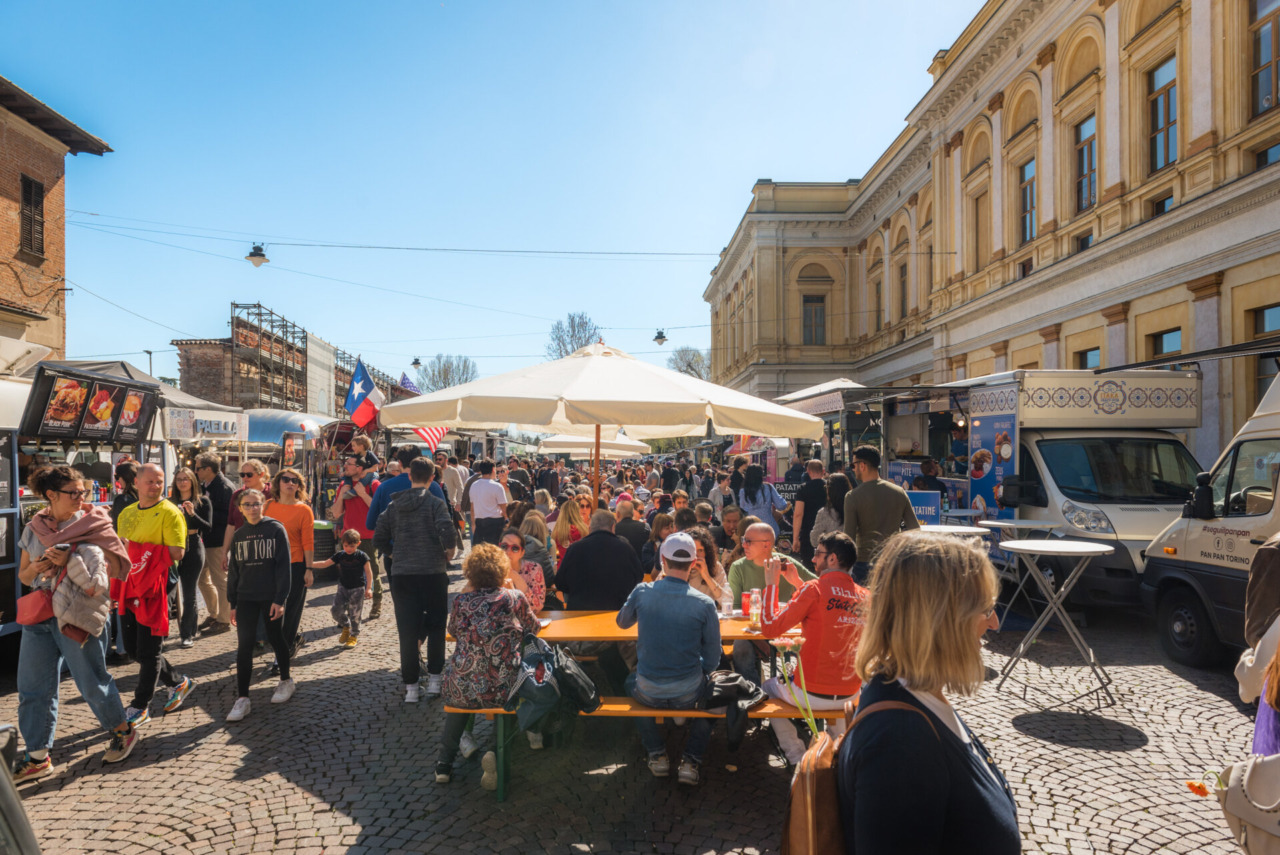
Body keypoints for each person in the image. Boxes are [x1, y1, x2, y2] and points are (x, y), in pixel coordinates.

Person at [835, 531, 1018, 854]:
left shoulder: (917, 699)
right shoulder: (899, 741)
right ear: (941, 619)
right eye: (984, 607)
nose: (993, 622)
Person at [11, 465, 139, 782]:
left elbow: (110, 569)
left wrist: (70, 560)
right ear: (51, 495)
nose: (81, 498)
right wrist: (40, 565)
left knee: (91, 680)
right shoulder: (34, 528)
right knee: (32, 687)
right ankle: (37, 756)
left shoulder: (93, 524)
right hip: (40, 613)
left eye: (84, 492)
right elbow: (25, 576)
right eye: (74, 493)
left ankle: (123, 731)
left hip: (78, 611)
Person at [617, 531, 722, 786]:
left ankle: (657, 753)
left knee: (630, 683)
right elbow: (712, 657)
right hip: (689, 690)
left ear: (663, 559)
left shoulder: (643, 591)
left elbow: (622, 622)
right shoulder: (705, 603)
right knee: (716, 696)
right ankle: (691, 759)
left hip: (648, 689)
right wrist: (702, 673)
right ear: (693, 563)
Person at [435, 543, 540, 787]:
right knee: (513, 689)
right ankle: (495, 751)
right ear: (502, 571)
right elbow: (533, 628)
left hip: (461, 683)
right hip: (503, 685)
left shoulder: (461, 601)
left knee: (460, 698)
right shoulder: (514, 597)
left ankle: (444, 763)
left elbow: (452, 631)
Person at [760, 531, 867, 764]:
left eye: (818, 554)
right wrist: (798, 583)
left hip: (810, 693)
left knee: (766, 688)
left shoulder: (813, 590)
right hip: (851, 693)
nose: (813, 559)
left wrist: (771, 585)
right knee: (836, 699)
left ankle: (796, 754)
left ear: (832, 559)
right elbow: (830, 606)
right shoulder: (866, 596)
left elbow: (769, 628)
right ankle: (836, 749)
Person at [115, 463, 195, 726]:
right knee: (135, 649)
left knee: (150, 649)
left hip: (159, 583)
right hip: (132, 583)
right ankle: (178, 682)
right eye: (150, 481)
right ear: (135, 483)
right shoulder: (126, 513)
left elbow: (177, 553)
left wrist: (139, 550)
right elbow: (121, 550)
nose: (155, 486)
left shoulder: (170, 512)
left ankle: (140, 705)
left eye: (159, 481)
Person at [374, 458, 458, 702]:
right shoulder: (434, 503)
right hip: (432, 573)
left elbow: (378, 537)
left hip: (403, 575)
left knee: (407, 632)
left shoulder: (393, 507)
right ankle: (434, 681)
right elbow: (448, 531)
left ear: (409, 476)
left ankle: (411, 687)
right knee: (435, 626)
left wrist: (394, 553)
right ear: (432, 478)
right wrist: (448, 552)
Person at [226, 489, 295, 722]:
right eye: (248, 505)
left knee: (276, 638)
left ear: (263, 505)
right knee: (244, 645)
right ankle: (243, 698)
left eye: (256, 504)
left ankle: (286, 680)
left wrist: (280, 598)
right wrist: (232, 602)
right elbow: (235, 571)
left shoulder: (275, 529)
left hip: (270, 596)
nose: (253, 508)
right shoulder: (239, 535)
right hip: (245, 597)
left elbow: (283, 566)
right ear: (240, 508)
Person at [727, 522, 816, 685]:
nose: (743, 545)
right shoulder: (738, 568)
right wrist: (760, 639)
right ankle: (754, 694)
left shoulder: (786, 564)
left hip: (784, 629)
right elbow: (737, 610)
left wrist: (797, 581)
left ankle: (805, 687)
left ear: (766, 545)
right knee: (741, 648)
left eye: (748, 541)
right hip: (751, 632)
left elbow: (818, 588)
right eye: (743, 540)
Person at [843, 445, 920, 584]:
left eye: (853, 465)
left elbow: (849, 537)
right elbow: (915, 529)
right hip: (892, 560)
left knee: (864, 604)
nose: (852, 469)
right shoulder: (899, 492)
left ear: (862, 465)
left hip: (863, 563)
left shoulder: (853, 497)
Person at [264, 467, 316, 659]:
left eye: (295, 481)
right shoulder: (268, 506)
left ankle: (282, 654)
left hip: (295, 564)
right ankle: (285, 642)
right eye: (286, 479)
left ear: (299, 486)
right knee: (271, 607)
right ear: (278, 483)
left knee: (292, 608)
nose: (290, 483)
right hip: (269, 565)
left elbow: (308, 542)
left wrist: (309, 569)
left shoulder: (304, 509)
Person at [556, 510, 644, 610]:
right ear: (612, 527)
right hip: (615, 611)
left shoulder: (575, 548)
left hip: (579, 612)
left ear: (589, 528)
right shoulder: (625, 548)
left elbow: (560, 582)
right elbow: (638, 577)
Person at [329, 454, 381, 616]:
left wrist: (363, 494)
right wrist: (343, 494)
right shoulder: (344, 485)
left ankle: (376, 605)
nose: (345, 466)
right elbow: (336, 513)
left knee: (372, 571)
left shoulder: (374, 484)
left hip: (368, 536)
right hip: (347, 537)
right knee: (347, 576)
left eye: (349, 464)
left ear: (359, 468)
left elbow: (379, 510)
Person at [169, 466, 212, 648]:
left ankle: (187, 634)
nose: (182, 482)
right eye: (179, 479)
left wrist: (192, 514)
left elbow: (208, 527)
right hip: (172, 546)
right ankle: (162, 631)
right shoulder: (169, 502)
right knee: (168, 591)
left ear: (193, 481)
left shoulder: (202, 501)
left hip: (193, 545)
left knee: (189, 593)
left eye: (186, 479)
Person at [311, 529, 373, 648]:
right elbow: (324, 563)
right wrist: (309, 564)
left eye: (352, 546)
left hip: (358, 589)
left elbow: (369, 573)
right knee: (335, 610)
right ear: (342, 544)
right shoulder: (340, 555)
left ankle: (354, 635)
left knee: (355, 613)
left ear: (358, 544)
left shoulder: (362, 556)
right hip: (343, 587)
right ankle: (346, 625)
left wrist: (369, 588)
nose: (349, 548)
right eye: (346, 545)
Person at [195, 452, 235, 634]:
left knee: (220, 580)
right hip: (205, 539)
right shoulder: (205, 485)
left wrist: (204, 513)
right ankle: (214, 613)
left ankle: (224, 619)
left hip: (217, 540)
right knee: (202, 579)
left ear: (208, 469)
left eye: (198, 468)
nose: (195, 472)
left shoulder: (225, 487)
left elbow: (229, 517)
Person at [499, 528, 546, 611]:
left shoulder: (534, 569)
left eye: (515, 548)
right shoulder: (490, 569)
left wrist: (515, 576)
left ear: (522, 553)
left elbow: (537, 607)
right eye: (504, 546)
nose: (508, 552)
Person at [791, 460, 827, 566]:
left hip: (808, 532)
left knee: (809, 566)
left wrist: (795, 539)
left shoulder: (803, 488)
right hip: (827, 531)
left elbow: (798, 514)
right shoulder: (829, 487)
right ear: (823, 471)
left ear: (808, 471)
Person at [737, 464, 788, 536]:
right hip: (770, 527)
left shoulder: (743, 491)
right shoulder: (768, 487)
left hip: (752, 528)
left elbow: (743, 507)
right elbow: (781, 505)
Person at [469, 460, 508, 547]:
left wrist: (473, 524)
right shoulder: (497, 486)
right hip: (495, 523)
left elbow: (472, 508)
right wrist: (507, 521)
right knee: (495, 552)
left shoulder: (474, 485)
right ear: (493, 469)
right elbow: (504, 509)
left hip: (479, 522)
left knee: (480, 553)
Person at [809, 474, 851, 548]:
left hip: (831, 554)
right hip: (853, 554)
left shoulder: (824, 513)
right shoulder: (854, 509)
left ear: (829, 490)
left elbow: (814, 540)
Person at [551, 496, 587, 563]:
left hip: (563, 568)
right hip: (581, 569)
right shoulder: (584, 531)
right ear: (577, 513)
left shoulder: (558, 531)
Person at [109, 459, 139, 529]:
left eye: (117, 477)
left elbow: (115, 524)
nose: (117, 480)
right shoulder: (144, 497)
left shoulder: (121, 500)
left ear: (124, 477)